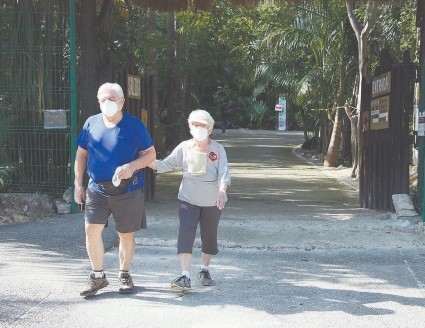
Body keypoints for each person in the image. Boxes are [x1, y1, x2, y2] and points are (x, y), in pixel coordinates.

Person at [74, 82, 156, 297]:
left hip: (128, 190)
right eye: (103, 100)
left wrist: (132, 166)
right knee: (91, 230)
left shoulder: (134, 125)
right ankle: (98, 276)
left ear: (121, 102)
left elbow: (150, 154)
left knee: (126, 234)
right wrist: (78, 184)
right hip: (96, 189)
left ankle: (124, 274)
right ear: (98, 102)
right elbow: (81, 155)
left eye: (112, 99)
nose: (107, 103)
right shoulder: (91, 124)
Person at [148, 109, 231, 291]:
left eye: (203, 125)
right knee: (185, 234)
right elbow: (165, 164)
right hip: (188, 199)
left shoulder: (217, 149)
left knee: (209, 235)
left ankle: (204, 269)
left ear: (209, 128)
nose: (199, 128)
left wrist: (222, 191)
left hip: (212, 201)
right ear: (190, 127)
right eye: (195, 125)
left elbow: (224, 173)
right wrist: (146, 160)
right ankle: (185, 276)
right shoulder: (184, 147)